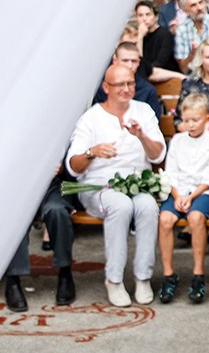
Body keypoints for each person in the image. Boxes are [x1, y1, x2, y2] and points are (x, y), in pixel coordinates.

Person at [67, 63, 168, 306]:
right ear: (106, 87)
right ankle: (114, 279)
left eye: (130, 83)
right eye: (120, 84)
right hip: (98, 187)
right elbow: (73, 165)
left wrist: (142, 136)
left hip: (137, 184)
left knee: (148, 207)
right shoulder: (91, 117)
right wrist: (93, 152)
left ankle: (143, 277)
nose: (126, 89)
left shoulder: (143, 111)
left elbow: (158, 156)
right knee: (121, 206)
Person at [155, 94, 209, 305]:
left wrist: (191, 197)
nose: (190, 125)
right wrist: (177, 196)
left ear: (207, 118)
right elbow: (170, 171)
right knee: (165, 219)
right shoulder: (177, 140)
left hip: (201, 192)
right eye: (186, 120)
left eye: (196, 120)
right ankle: (168, 275)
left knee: (196, 219)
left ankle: (198, 274)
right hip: (177, 190)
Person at [27, 165, 79, 306]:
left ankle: (65, 272)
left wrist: (64, 166)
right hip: (19, 181)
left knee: (57, 210)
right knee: (14, 216)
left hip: (55, 183)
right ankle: (13, 280)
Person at [92, 40, 165, 114]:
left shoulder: (148, 91)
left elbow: (153, 122)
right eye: (125, 60)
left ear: (139, 63)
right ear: (115, 60)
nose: (130, 66)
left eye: (134, 61)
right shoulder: (105, 88)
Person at [134, 0, 183, 82]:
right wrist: (140, 37)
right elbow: (137, 63)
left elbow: (160, 63)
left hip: (167, 77)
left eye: (148, 14)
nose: (144, 19)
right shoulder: (138, 36)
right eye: (140, 15)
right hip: (148, 76)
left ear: (156, 17)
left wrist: (145, 69)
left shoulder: (165, 34)